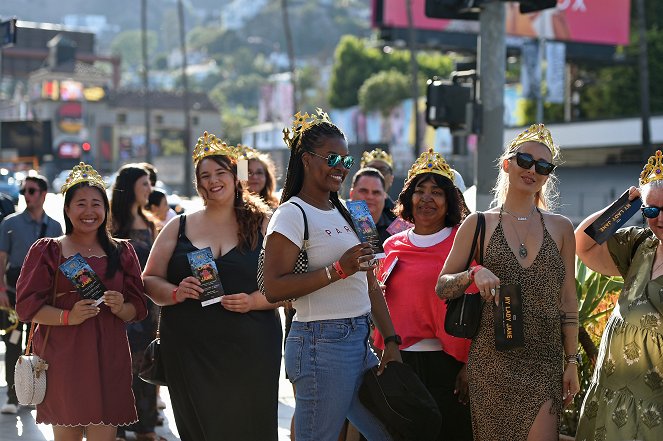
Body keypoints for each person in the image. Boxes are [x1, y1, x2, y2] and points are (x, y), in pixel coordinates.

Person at [262, 109, 401, 441]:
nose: (341, 166)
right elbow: (273, 288)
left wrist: (391, 341)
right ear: (306, 159)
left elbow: (369, 284)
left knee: (388, 434)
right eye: (333, 158)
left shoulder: (345, 211)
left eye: (347, 161)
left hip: (359, 339)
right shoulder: (292, 214)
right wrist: (339, 269)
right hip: (319, 343)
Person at [435, 124, 580, 441]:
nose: (533, 170)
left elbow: (568, 299)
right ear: (507, 163)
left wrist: (572, 362)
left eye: (543, 166)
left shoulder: (561, 228)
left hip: (545, 362)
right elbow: (442, 286)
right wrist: (473, 273)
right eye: (525, 160)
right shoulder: (479, 224)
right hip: (493, 363)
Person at [142, 132, 282, 441]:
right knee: (199, 429)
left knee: (250, 428)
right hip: (189, 350)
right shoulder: (178, 225)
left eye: (220, 172)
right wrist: (175, 292)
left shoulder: (264, 222)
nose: (213, 180)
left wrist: (254, 301)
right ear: (197, 183)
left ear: (235, 176)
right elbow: (149, 279)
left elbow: (287, 286)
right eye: (205, 175)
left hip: (252, 349)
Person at [15, 162, 148, 440]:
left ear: (106, 208)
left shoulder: (123, 252)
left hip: (108, 354)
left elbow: (138, 309)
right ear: (66, 209)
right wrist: (68, 316)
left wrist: (120, 306)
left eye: (96, 204)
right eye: (81, 204)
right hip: (63, 356)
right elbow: (27, 307)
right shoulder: (48, 250)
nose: (89, 212)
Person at [374, 148, 472, 441]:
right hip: (400, 364)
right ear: (408, 198)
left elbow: (480, 307)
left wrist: (470, 366)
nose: (427, 198)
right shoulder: (391, 245)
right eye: (420, 190)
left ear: (449, 201)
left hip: (448, 368)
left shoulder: (463, 243)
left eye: (437, 192)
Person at [574, 150, 663, 441]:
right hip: (608, 397)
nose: (659, 219)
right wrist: (622, 207)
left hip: (653, 411)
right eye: (651, 210)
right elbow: (584, 243)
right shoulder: (639, 243)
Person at [0, 174, 62, 414]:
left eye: (32, 190)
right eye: (24, 191)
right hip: (14, 289)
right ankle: (13, 397)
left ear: (44, 194)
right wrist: (1, 290)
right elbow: (2, 258)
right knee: (14, 342)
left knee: (41, 345)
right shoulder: (10, 223)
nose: (27, 195)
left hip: (43, 293)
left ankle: (36, 394)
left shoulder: (55, 226)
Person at [109, 164, 162, 441]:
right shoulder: (111, 224)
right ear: (129, 187)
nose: (149, 190)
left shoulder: (151, 222)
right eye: (144, 184)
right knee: (118, 366)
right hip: (117, 306)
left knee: (146, 364)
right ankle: (115, 426)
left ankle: (145, 425)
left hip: (148, 307)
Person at [349, 167, 395, 244]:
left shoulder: (396, 232)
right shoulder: (337, 222)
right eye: (363, 191)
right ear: (351, 193)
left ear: (384, 196)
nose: (370, 197)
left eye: (376, 192)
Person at [361, 148, 396, 215]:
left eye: (382, 170)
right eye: (371, 169)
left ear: (391, 178)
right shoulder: (346, 211)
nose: (377, 173)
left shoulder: (399, 217)